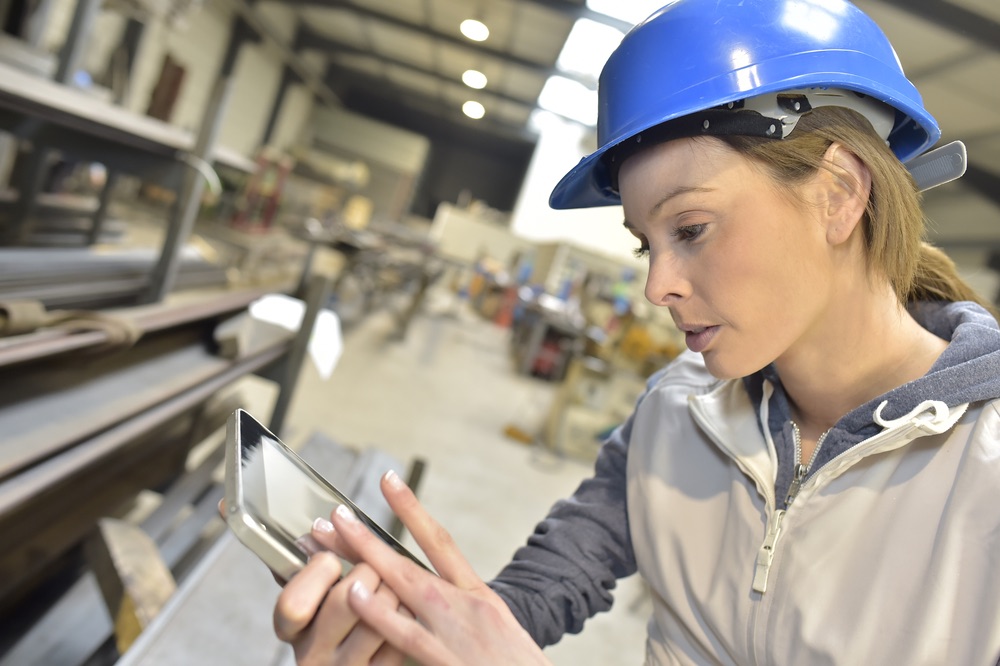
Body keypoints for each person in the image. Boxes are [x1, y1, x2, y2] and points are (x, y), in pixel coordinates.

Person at [270, 0, 1000, 663]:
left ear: (839, 193)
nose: (658, 286)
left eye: (690, 228)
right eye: (647, 244)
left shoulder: (983, 476)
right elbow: (547, 586)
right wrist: (420, 631)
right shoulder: (677, 411)